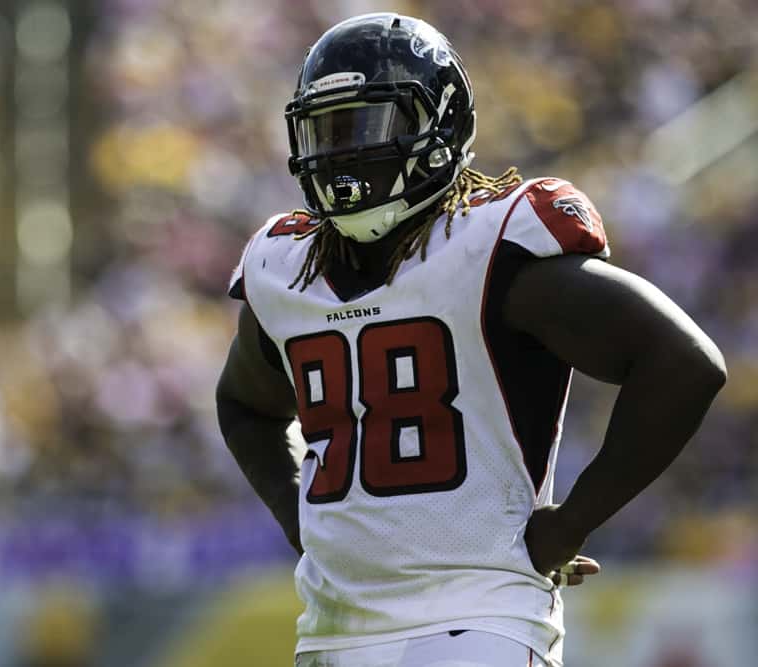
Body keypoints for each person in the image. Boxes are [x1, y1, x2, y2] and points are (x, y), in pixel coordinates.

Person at [215, 13, 725, 667]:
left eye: (367, 126)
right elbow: (246, 406)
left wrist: (570, 521)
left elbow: (683, 362)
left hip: (479, 623)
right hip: (331, 627)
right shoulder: (282, 265)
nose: (342, 153)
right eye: (328, 131)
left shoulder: (491, 246)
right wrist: (300, 520)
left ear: (439, 124)